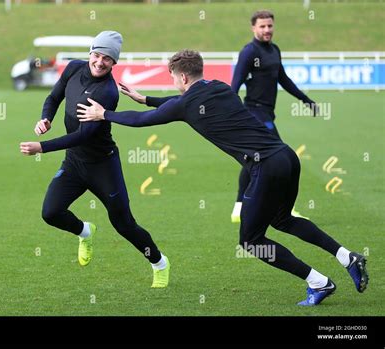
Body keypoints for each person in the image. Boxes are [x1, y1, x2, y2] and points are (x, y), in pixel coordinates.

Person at [77, 49, 369, 305]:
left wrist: (105, 115)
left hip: (265, 166)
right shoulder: (219, 87)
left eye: (173, 79)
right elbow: (178, 104)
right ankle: (347, 256)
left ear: (181, 78)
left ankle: (318, 282)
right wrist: (147, 99)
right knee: (283, 220)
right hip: (286, 156)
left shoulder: (186, 103)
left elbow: (143, 121)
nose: (174, 85)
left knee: (251, 240)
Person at [19, 31, 170, 288]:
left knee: (124, 224)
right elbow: (54, 97)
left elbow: (82, 135)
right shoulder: (73, 68)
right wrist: (47, 118)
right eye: (97, 55)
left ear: (114, 63)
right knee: (51, 212)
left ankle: (159, 262)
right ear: (90, 53)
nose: (100, 62)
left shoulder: (108, 92)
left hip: (103, 166)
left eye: (107, 59)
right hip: (74, 164)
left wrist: (42, 147)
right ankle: (85, 231)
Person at [230, 10, 319, 223]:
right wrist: (229, 114)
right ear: (253, 28)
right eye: (262, 26)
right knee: (282, 158)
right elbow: (235, 84)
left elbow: (284, 79)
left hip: (267, 112)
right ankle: (284, 208)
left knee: (254, 158)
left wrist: (306, 100)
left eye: (270, 26)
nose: (267, 30)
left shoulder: (274, 50)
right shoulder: (249, 52)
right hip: (254, 112)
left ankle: (238, 208)